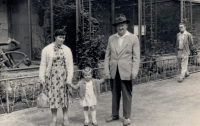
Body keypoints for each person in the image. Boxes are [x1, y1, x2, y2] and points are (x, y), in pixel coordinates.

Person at [104, 14, 140, 126]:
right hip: (114, 71)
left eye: (123, 25)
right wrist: (106, 70)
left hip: (126, 71)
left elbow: (136, 57)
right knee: (114, 93)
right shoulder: (111, 38)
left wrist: (134, 71)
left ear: (126, 25)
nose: (121, 28)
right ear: (116, 27)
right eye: (119, 26)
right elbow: (107, 56)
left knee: (126, 94)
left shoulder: (133, 38)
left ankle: (127, 117)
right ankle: (114, 114)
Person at [39, 29, 74, 126]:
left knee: (64, 98)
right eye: (60, 37)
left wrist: (69, 78)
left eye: (63, 37)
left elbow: (70, 65)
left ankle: (65, 118)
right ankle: (54, 120)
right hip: (52, 77)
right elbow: (43, 65)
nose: (62, 39)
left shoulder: (67, 50)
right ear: (55, 37)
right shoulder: (47, 49)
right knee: (53, 98)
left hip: (64, 77)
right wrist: (42, 78)